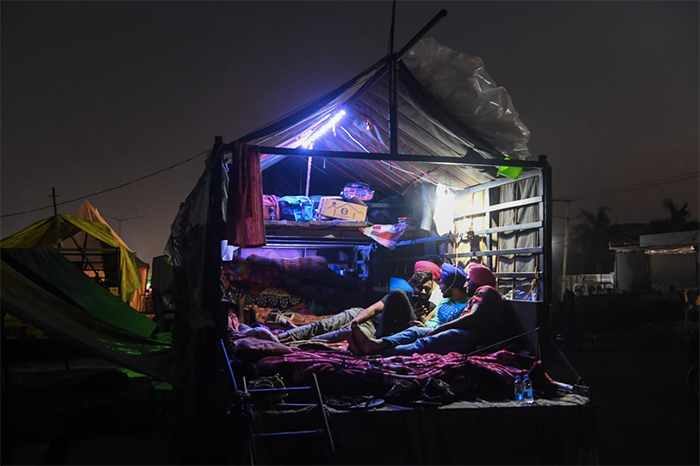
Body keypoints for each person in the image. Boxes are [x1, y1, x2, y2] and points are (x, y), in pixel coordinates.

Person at [348, 262, 505, 356]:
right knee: (414, 332)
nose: (466, 284)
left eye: (469, 280)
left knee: (431, 340)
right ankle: (377, 343)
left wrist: (440, 329)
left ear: (479, 281)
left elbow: (471, 318)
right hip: (464, 332)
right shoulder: (457, 298)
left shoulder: (486, 290)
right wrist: (424, 322)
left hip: (475, 337)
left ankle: (383, 351)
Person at [277, 262, 442, 344]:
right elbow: (373, 309)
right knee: (325, 324)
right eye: (420, 288)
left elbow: (417, 332)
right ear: (413, 286)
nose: (423, 292)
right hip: (361, 315)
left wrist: (421, 319)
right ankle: (281, 337)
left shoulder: (431, 308)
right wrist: (353, 322)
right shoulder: (402, 295)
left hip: (373, 329)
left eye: (427, 289)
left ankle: (297, 342)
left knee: (335, 336)